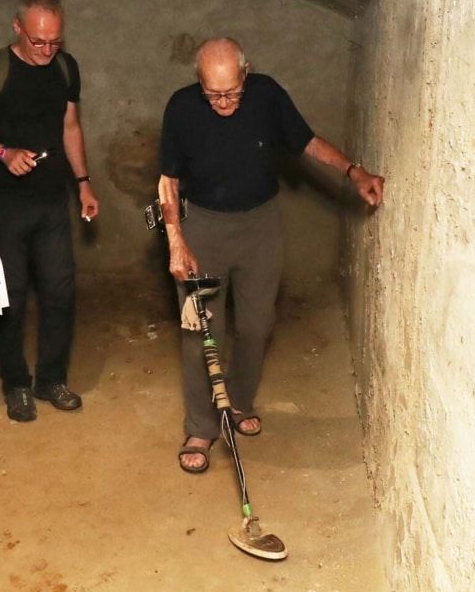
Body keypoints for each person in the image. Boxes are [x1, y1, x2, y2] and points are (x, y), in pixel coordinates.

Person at [157, 37, 384, 474]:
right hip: (202, 225)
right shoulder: (183, 107)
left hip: (260, 226)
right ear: (199, 82)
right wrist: (177, 242)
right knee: (200, 328)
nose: (223, 102)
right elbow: (168, 178)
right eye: (213, 93)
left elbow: (307, 142)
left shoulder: (267, 94)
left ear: (246, 73)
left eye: (232, 92)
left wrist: (354, 172)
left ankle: (239, 402)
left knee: (257, 324)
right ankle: (201, 425)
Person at [0, 0, 100, 422]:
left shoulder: (65, 68)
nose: (47, 50)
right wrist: (2, 153)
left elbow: (70, 127)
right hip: (4, 203)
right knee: (9, 298)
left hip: (53, 200)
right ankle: (15, 383)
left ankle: (50, 378)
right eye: (38, 41)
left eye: (55, 41)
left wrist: (84, 184)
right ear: (17, 28)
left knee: (59, 292)